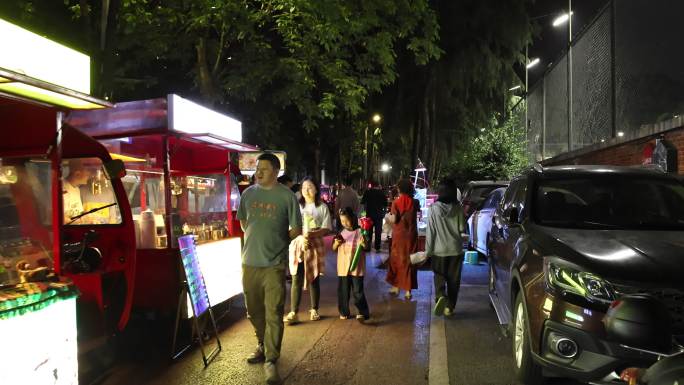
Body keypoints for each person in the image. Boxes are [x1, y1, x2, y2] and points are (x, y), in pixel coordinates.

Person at [238, 153, 302, 385]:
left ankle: (271, 360)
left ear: (276, 171)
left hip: (274, 265)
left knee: (273, 312)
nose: (259, 172)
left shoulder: (286, 197)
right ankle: (262, 344)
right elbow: (244, 223)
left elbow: (296, 228)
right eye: (258, 168)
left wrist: (278, 241)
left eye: (264, 168)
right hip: (249, 262)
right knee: (253, 310)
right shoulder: (247, 194)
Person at [285, 177, 332, 324]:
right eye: (304, 187)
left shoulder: (322, 207)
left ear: (316, 189)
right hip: (298, 244)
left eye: (310, 186)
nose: (306, 190)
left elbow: (326, 228)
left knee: (314, 277)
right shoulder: (296, 206)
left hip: (315, 243)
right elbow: (289, 226)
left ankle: (314, 309)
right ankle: (293, 311)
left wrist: (313, 234)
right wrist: (299, 236)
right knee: (296, 277)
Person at [425, 180, 466, 317]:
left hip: (439, 250)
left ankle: (441, 295)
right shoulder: (458, 207)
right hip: (456, 249)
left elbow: (430, 232)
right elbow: (461, 229)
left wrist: (428, 251)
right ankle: (450, 308)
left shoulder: (433, 209)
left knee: (439, 276)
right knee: (454, 280)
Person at [332, 207, 370, 322]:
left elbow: (367, 248)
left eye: (346, 220)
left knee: (358, 291)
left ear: (353, 218)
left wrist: (364, 244)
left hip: (357, 267)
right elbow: (333, 248)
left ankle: (362, 312)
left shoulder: (361, 231)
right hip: (343, 267)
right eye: (342, 221)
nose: (345, 223)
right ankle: (344, 311)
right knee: (343, 291)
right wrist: (336, 244)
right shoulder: (340, 233)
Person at [386, 179, 419, 299]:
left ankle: (396, 287)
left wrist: (387, 218)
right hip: (411, 235)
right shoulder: (415, 202)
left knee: (397, 260)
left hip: (399, 236)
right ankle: (408, 291)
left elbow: (394, 220)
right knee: (409, 261)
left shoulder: (396, 202)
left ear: (399, 189)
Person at [360, 180, 386, 252]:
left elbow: (363, 203)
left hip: (369, 215)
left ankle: (368, 247)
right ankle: (377, 248)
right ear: (378, 185)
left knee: (369, 232)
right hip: (379, 215)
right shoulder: (381, 193)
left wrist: (364, 212)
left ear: (371, 185)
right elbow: (385, 205)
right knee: (378, 232)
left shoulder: (367, 192)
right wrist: (383, 213)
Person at [62, 159, 90, 223]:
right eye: (87, 171)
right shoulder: (62, 188)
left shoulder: (77, 189)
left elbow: (78, 212)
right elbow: (61, 219)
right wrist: (82, 220)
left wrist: (88, 216)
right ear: (77, 174)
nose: (89, 175)